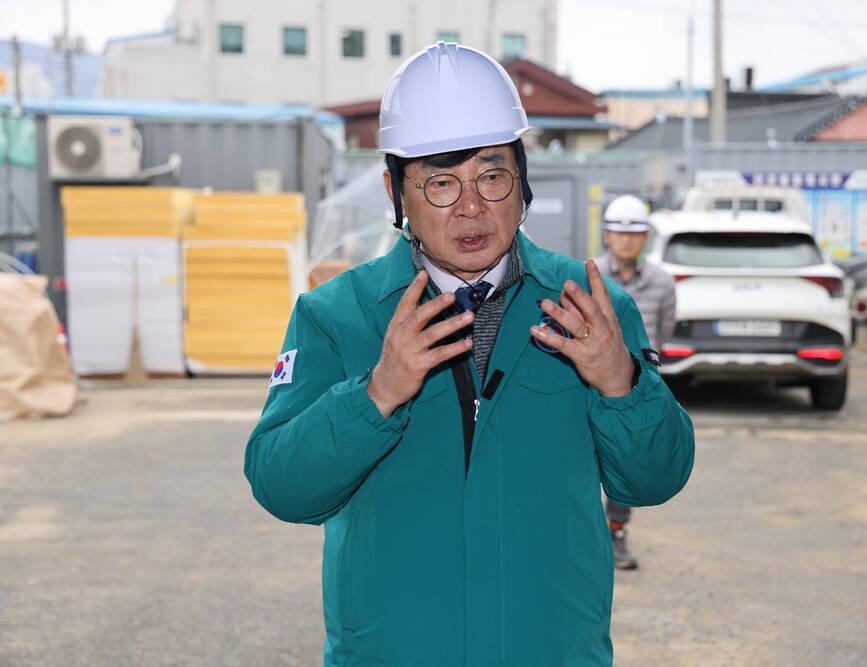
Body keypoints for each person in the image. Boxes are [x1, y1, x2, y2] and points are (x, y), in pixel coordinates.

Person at [244, 42, 695, 666]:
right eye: (440, 184)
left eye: (491, 175)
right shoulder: (336, 315)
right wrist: (374, 396)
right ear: (394, 191)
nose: (472, 207)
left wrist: (622, 383)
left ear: (523, 177)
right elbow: (281, 486)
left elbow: (655, 478)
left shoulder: (590, 307)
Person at [594, 194, 678, 570]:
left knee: (624, 461)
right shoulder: (587, 275)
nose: (627, 241)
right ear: (606, 235)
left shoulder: (662, 283)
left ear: (646, 238)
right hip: (589, 384)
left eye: (635, 234)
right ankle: (581, 537)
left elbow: (662, 332)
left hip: (636, 389)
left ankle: (616, 533)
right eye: (618, 233)